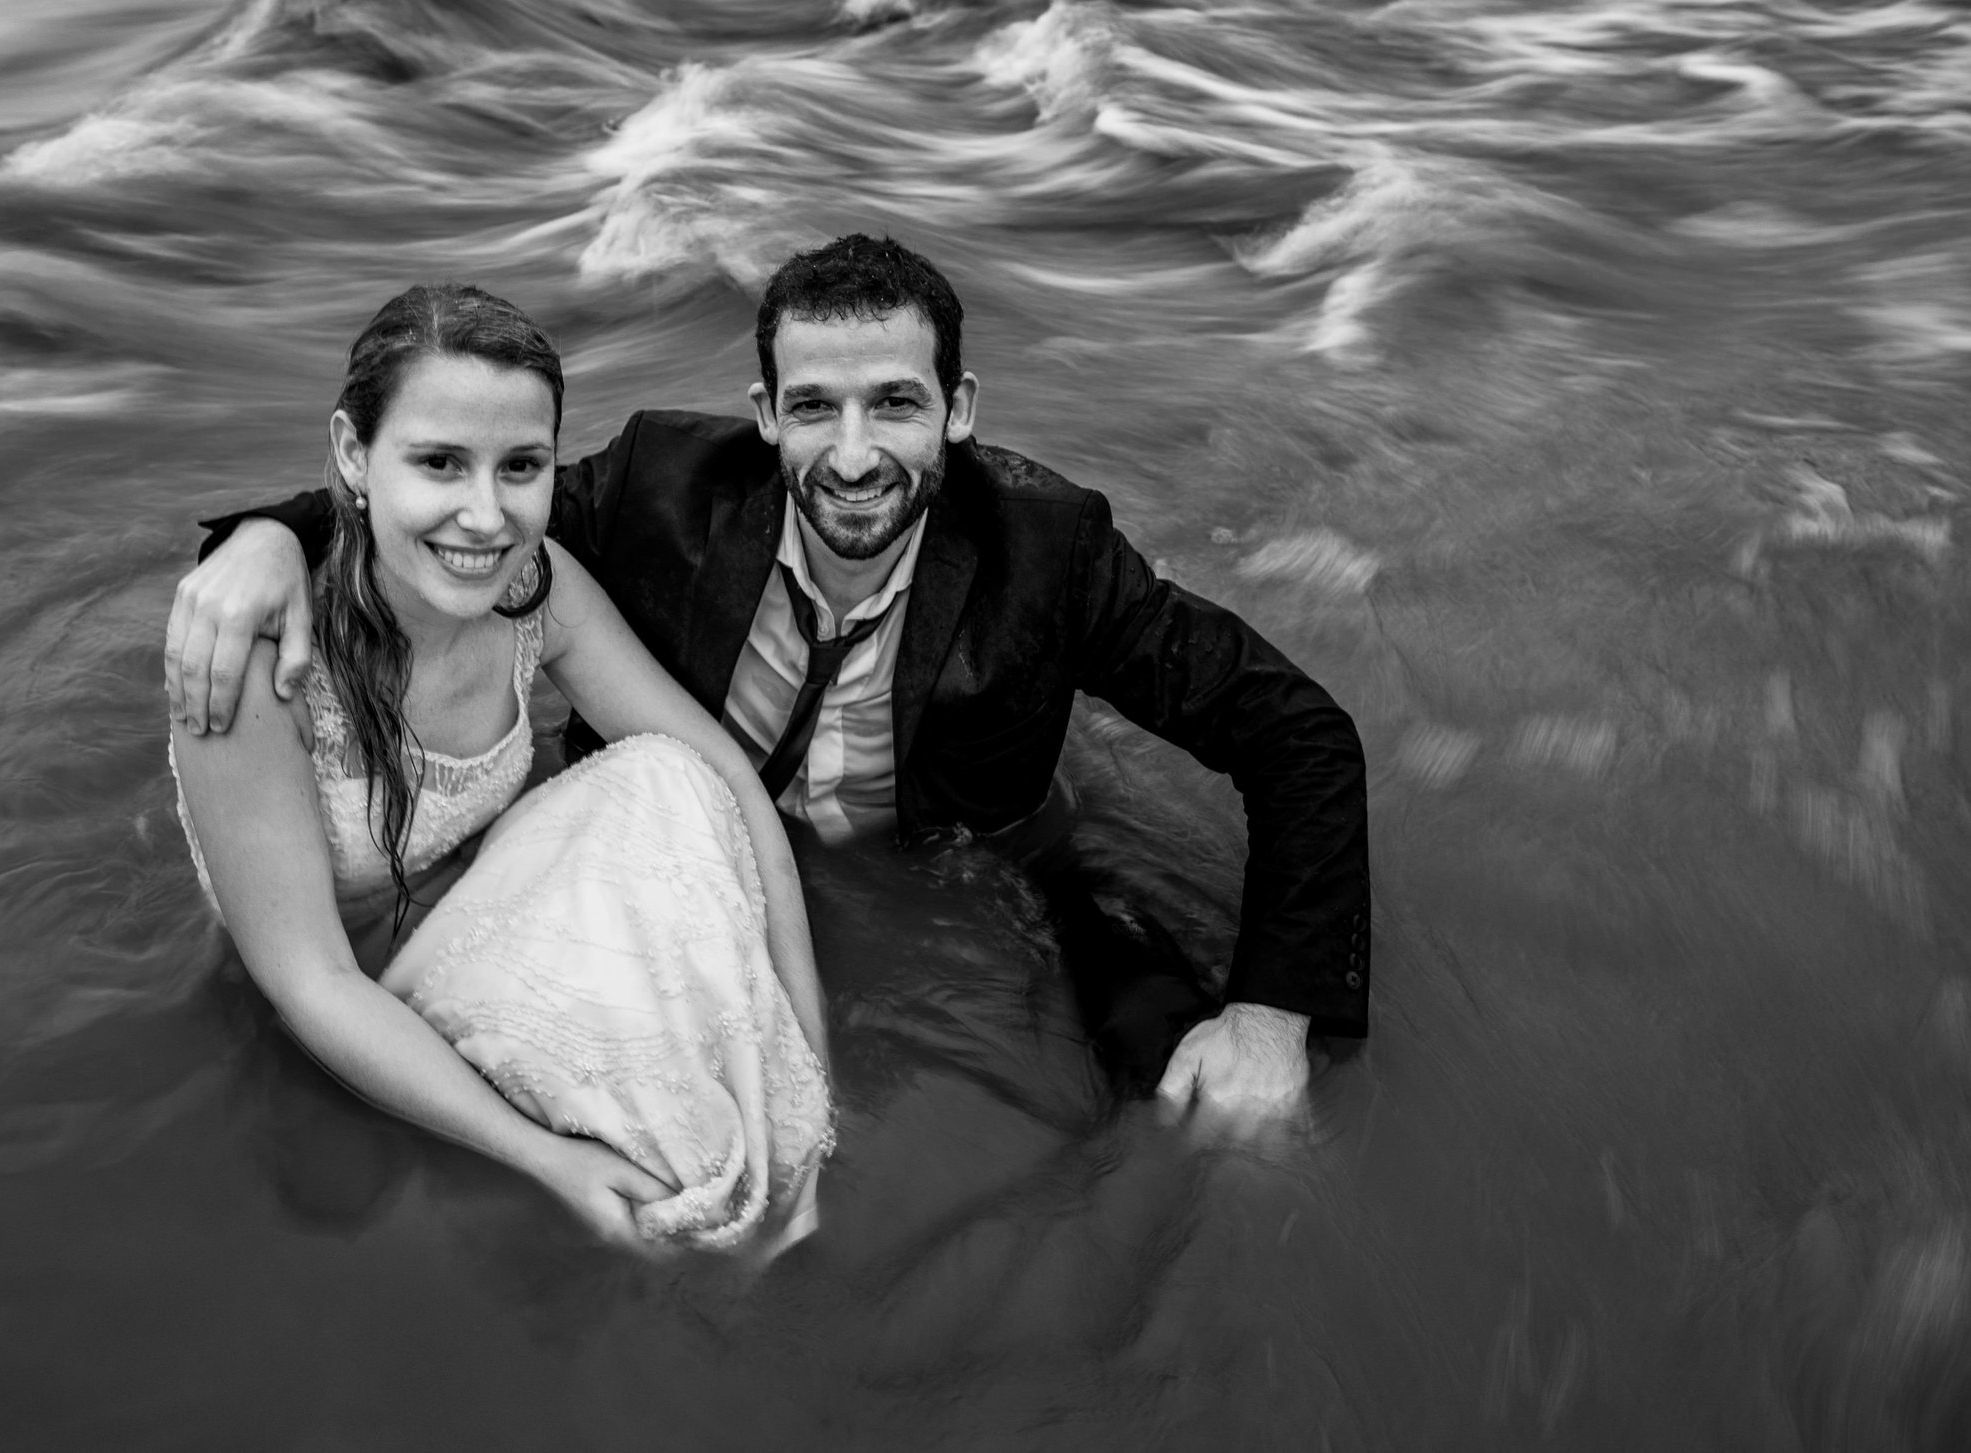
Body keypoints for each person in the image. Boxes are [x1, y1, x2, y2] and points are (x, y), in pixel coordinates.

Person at [170, 237, 1369, 1118]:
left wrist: (1270, 1014)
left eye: (894, 403)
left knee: (1176, 1094)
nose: (853, 454)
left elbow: (1296, 733)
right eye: (813, 408)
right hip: (671, 858)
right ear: (766, 416)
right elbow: (464, 512)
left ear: (956, 410)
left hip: (972, 862)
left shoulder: (1049, 551)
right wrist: (269, 536)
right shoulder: (657, 488)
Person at [168, 284, 833, 1256]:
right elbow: (309, 980)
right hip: (338, 1002)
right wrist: (541, 1159)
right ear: (354, 455)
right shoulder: (256, 654)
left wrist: (806, 1054)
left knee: (666, 777)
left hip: (494, 917)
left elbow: (724, 776)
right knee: (359, 1207)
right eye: (439, 462)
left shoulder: (536, 587)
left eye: (519, 465)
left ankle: (759, 1237)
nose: (485, 516)